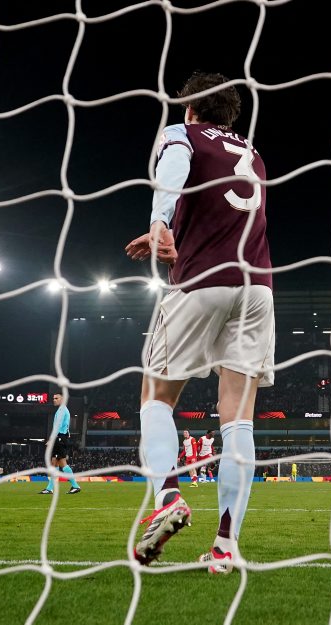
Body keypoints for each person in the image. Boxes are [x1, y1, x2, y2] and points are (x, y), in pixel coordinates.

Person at [125, 71, 273, 574]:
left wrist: (160, 224)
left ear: (190, 107)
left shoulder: (183, 133)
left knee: (156, 397)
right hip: (258, 289)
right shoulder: (252, 153)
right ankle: (226, 546)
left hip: (201, 281)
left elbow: (172, 169)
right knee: (238, 416)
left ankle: (168, 496)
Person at [39, 392, 80, 495]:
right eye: (53, 398)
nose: (54, 400)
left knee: (62, 462)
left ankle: (75, 486)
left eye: (56, 398)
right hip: (60, 437)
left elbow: (58, 426)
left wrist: (51, 439)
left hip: (59, 438)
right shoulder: (62, 409)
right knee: (54, 462)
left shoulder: (62, 410)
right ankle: (50, 488)